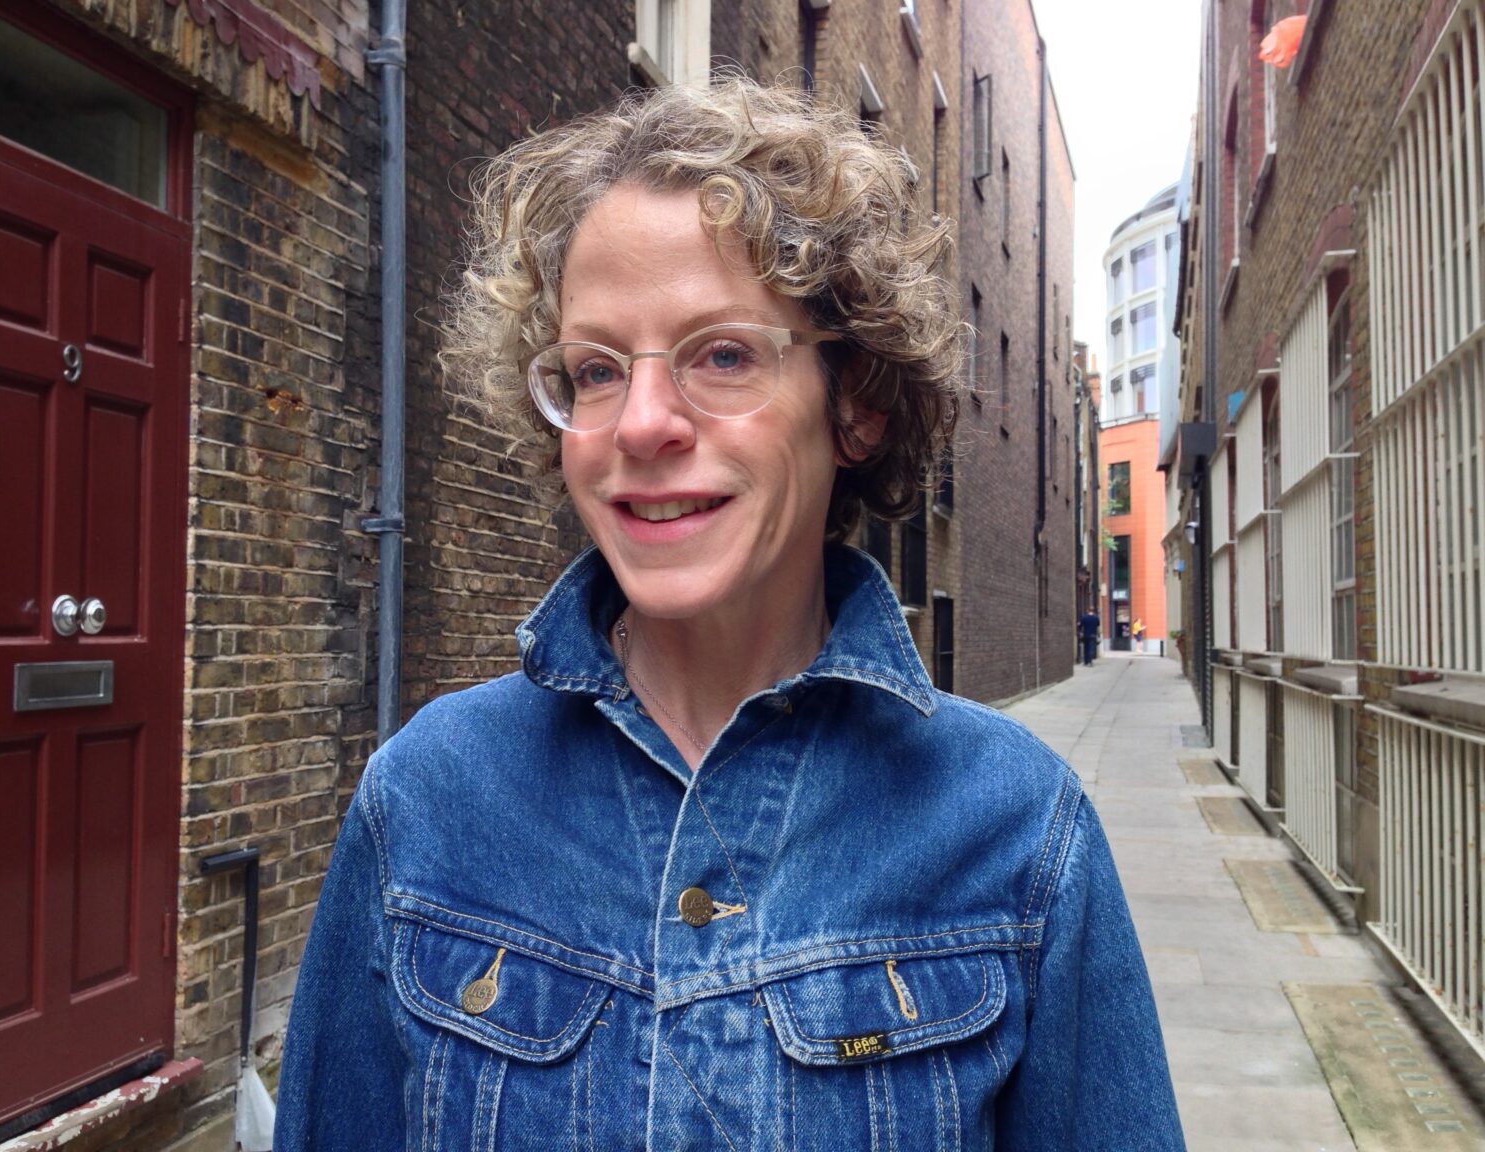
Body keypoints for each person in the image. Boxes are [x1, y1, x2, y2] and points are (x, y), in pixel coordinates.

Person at [275, 77, 1185, 1151]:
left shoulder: (1021, 834)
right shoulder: (424, 803)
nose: (644, 422)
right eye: (596, 369)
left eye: (722, 354)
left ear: (855, 405)